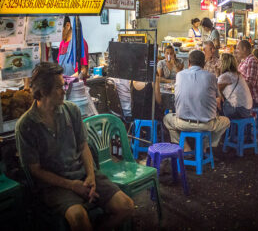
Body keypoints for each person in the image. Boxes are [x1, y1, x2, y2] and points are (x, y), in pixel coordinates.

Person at [16, 62, 134, 231]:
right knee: (79, 219)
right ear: (42, 92)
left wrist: (91, 177)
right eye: (58, 87)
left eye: (63, 85)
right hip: (55, 186)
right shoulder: (26, 125)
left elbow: (83, 146)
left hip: (83, 173)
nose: (64, 90)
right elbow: (36, 170)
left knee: (126, 206)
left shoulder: (71, 110)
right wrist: (72, 186)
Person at [163, 50, 230, 151]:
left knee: (167, 119)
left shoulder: (179, 75)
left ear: (189, 63)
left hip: (183, 123)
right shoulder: (211, 77)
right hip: (206, 124)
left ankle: (186, 147)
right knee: (226, 121)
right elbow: (217, 96)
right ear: (203, 64)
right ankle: (204, 146)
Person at [217, 53, 252, 119]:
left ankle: (222, 127)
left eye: (219, 61)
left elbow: (215, 90)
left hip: (238, 110)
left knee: (215, 103)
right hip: (247, 109)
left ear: (224, 63)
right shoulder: (237, 75)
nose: (218, 62)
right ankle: (229, 128)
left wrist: (217, 73)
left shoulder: (226, 76)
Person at [236, 40, 258, 108]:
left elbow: (249, 84)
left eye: (238, 48)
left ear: (244, 49)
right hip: (244, 97)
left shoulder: (252, 61)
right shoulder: (244, 61)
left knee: (225, 106)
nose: (236, 51)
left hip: (252, 99)